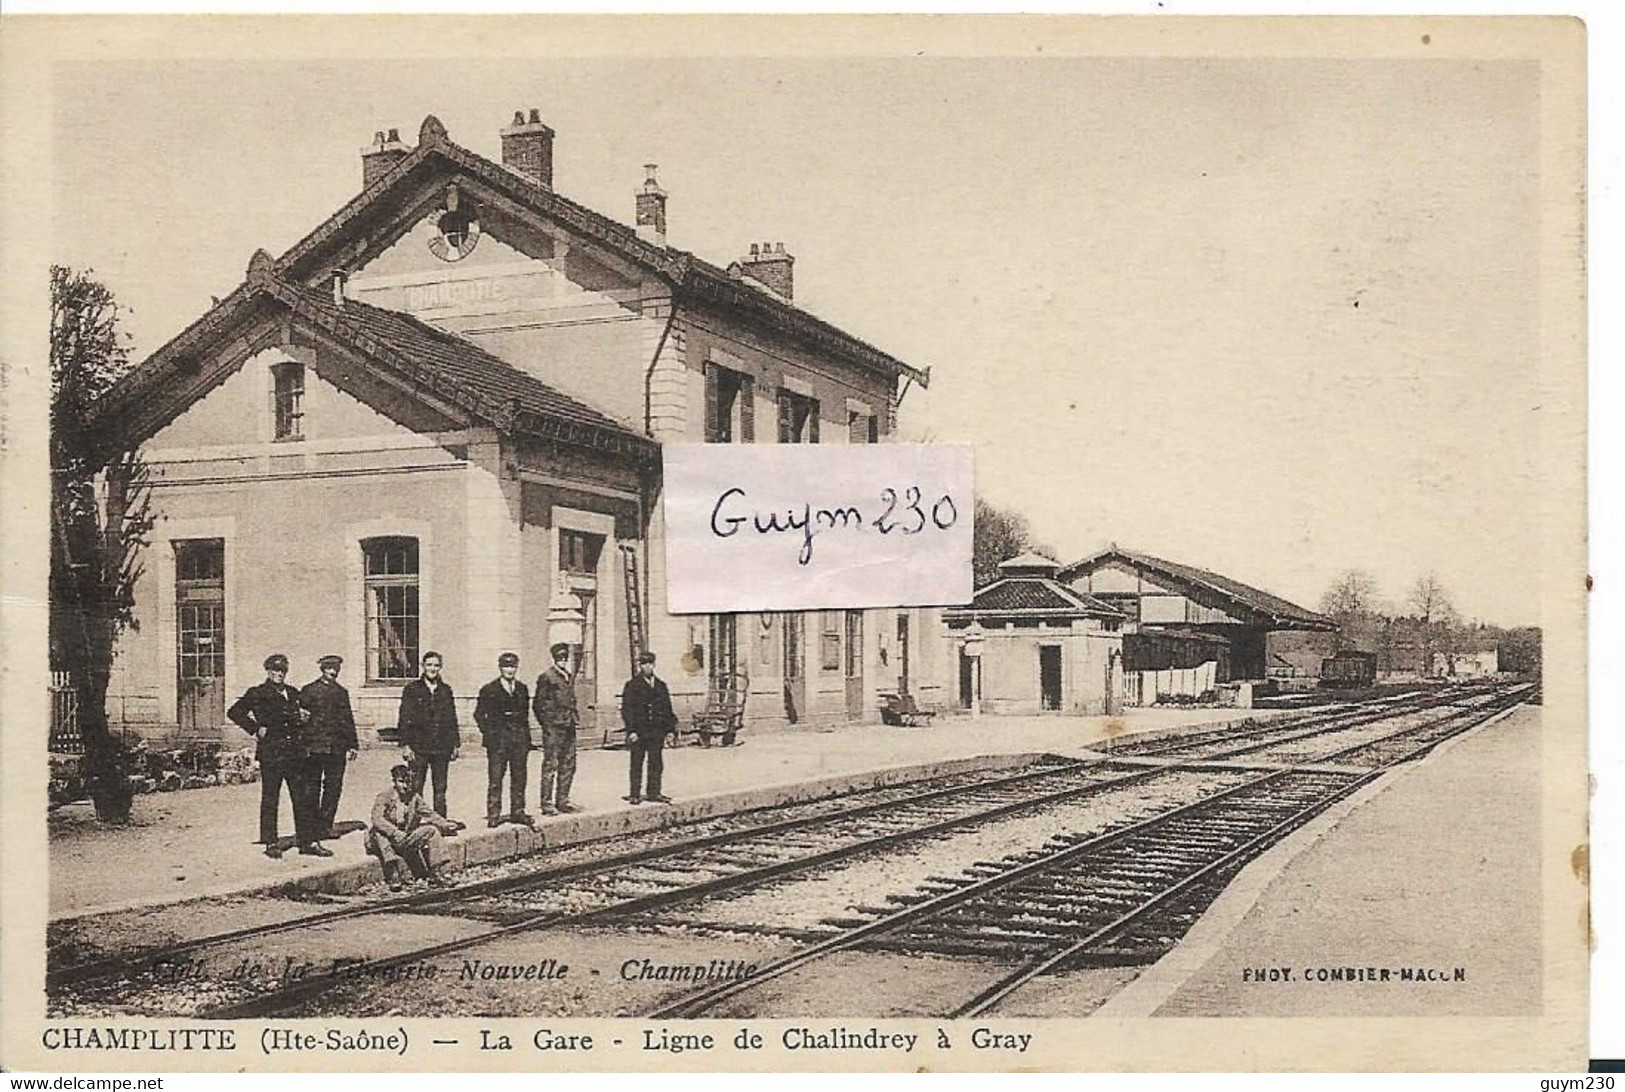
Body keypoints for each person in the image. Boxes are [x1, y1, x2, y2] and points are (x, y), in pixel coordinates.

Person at [226, 653, 313, 857]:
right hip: (272, 753)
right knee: (270, 797)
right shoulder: (257, 693)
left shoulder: (293, 693)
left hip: (294, 753)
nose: (279, 674)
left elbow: (301, 716)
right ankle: (271, 842)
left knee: (302, 797)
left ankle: (306, 841)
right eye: (275, 670)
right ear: (268, 671)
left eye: (282, 670)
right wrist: (255, 728)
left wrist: (304, 718)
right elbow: (234, 712)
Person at [396, 650, 464, 829]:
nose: (432, 669)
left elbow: (451, 718)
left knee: (440, 788)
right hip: (419, 747)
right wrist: (405, 745)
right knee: (416, 786)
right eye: (429, 665)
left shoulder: (445, 690)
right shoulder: (412, 689)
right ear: (423, 667)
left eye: (436, 665)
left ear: (440, 668)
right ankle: (413, 823)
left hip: (441, 747)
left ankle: (440, 823)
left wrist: (455, 744)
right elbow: (404, 718)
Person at [297, 654, 358, 852]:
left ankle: (325, 825)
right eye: (330, 668)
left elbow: (347, 719)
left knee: (333, 787)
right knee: (312, 788)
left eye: (336, 669)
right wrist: (303, 745)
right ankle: (312, 828)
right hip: (314, 748)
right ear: (322, 669)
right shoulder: (309, 691)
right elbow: (300, 720)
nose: (333, 672)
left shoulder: (341, 692)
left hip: (336, 748)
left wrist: (352, 744)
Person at [366, 764, 458, 890]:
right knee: (379, 833)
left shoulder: (414, 798)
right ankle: (393, 873)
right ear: (394, 782)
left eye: (408, 782)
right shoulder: (384, 797)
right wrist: (394, 832)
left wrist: (446, 825)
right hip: (386, 839)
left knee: (431, 830)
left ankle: (437, 871)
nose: (405, 786)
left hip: (405, 838)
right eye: (401, 782)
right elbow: (377, 819)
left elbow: (429, 814)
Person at [474, 652, 535, 829]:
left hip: (518, 742)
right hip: (498, 743)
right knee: (495, 779)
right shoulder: (489, 689)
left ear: (517, 668)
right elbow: (479, 715)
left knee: (519, 778)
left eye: (513, 666)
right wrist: (491, 734)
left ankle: (518, 811)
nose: (509, 670)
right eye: (506, 666)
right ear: (500, 668)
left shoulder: (522, 689)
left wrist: (526, 740)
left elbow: (524, 716)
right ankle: (494, 814)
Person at [620, 651, 677, 805]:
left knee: (656, 763)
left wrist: (670, 730)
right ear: (640, 666)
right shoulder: (632, 685)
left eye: (650, 664)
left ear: (654, 665)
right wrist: (631, 730)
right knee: (637, 762)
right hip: (639, 732)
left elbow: (667, 709)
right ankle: (635, 794)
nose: (648, 667)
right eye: (644, 664)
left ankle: (654, 792)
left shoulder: (661, 685)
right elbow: (627, 710)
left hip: (656, 731)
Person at [532, 642, 581, 816]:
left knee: (569, 763)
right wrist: (547, 724)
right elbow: (538, 704)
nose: (563, 660)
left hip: (569, 725)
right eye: (560, 658)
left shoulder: (567, 675)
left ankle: (563, 800)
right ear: (554, 658)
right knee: (551, 765)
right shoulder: (547, 677)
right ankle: (547, 803)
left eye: (565, 658)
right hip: (554, 728)